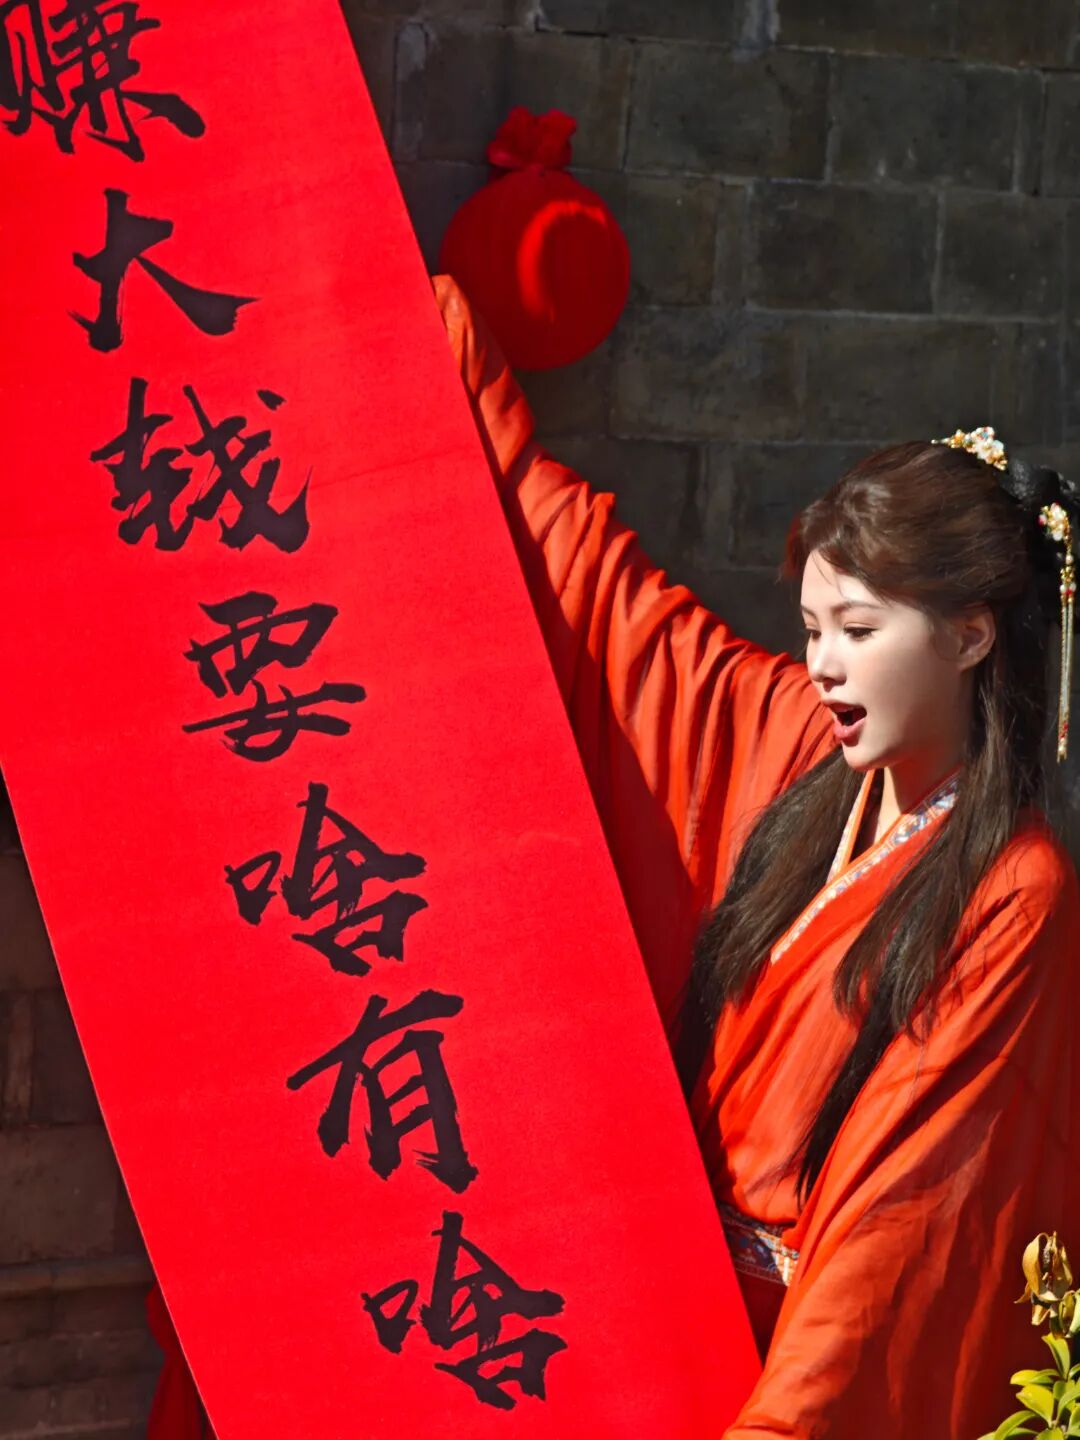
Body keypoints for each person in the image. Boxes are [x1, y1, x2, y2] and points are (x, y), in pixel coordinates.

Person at [147, 278, 1080, 1438]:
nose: (825, 666)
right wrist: (426, 344)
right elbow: (622, 623)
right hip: (661, 1316)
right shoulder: (805, 749)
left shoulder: (1014, 890)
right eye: (811, 630)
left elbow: (902, 1224)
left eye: (858, 632)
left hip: (805, 1358)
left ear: (971, 635)